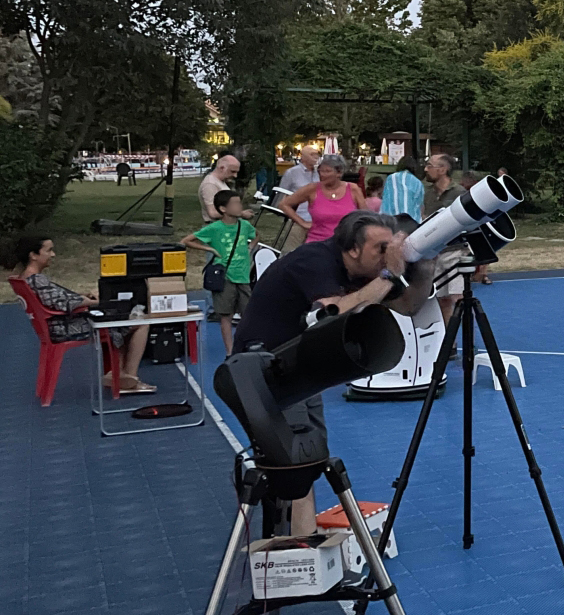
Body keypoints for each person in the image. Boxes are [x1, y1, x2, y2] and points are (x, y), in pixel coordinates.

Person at [233, 210, 432, 534]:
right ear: (353, 249)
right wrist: (388, 275)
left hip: (300, 369)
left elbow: (409, 306)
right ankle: (298, 544)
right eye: (380, 248)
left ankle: (302, 541)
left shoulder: (364, 270)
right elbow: (330, 313)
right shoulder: (314, 260)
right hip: (262, 370)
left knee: (310, 458)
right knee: (294, 463)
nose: (387, 255)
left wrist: (426, 260)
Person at [10, 234, 153, 393]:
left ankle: (119, 374)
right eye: (49, 250)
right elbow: (64, 303)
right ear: (33, 255)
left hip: (55, 326)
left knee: (120, 321)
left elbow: (54, 298)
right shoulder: (37, 279)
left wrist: (83, 296)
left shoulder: (24, 278)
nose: (53, 254)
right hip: (65, 327)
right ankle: (131, 378)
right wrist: (95, 301)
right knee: (139, 323)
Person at [183, 189, 257, 354]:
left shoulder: (245, 226)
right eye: (235, 204)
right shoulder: (215, 228)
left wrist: (250, 247)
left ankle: (245, 347)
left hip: (243, 276)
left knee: (247, 315)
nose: (239, 207)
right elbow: (187, 240)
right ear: (223, 209)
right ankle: (229, 351)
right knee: (226, 315)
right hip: (225, 277)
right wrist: (210, 249)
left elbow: (256, 235)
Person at [423, 152, 468, 329]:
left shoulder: (459, 193)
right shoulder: (427, 193)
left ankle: (466, 335)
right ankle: (450, 339)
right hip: (435, 253)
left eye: (430, 165)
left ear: (443, 169)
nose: (426, 169)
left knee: (458, 297)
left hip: (456, 251)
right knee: (441, 299)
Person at [281, 154, 366, 244]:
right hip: (318, 242)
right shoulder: (312, 189)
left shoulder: (353, 189)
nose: (322, 174)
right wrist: (302, 222)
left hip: (346, 243)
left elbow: (366, 216)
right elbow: (284, 204)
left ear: (339, 173)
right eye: (320, 171)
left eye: (327, 171)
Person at [277, 144, 322, 223]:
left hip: (318, 217)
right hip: (298, 217)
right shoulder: (291, 173)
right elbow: (281, 195)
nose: (316, 157)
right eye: (312, 154)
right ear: (303, 157)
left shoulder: (320, 173)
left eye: (316, 154)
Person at [198, 154, 240, 223]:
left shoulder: (220, 181)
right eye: (232, 171)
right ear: (222, 168)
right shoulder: (210, 184)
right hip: (215, 226)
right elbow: (213, 213)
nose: (235, 175)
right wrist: (240, 214)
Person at [381, 155, 425, 220]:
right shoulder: (418, 182)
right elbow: (420, 205)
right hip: (412, 221)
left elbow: (386, 199)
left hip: (392, 220)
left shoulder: (391, 178)